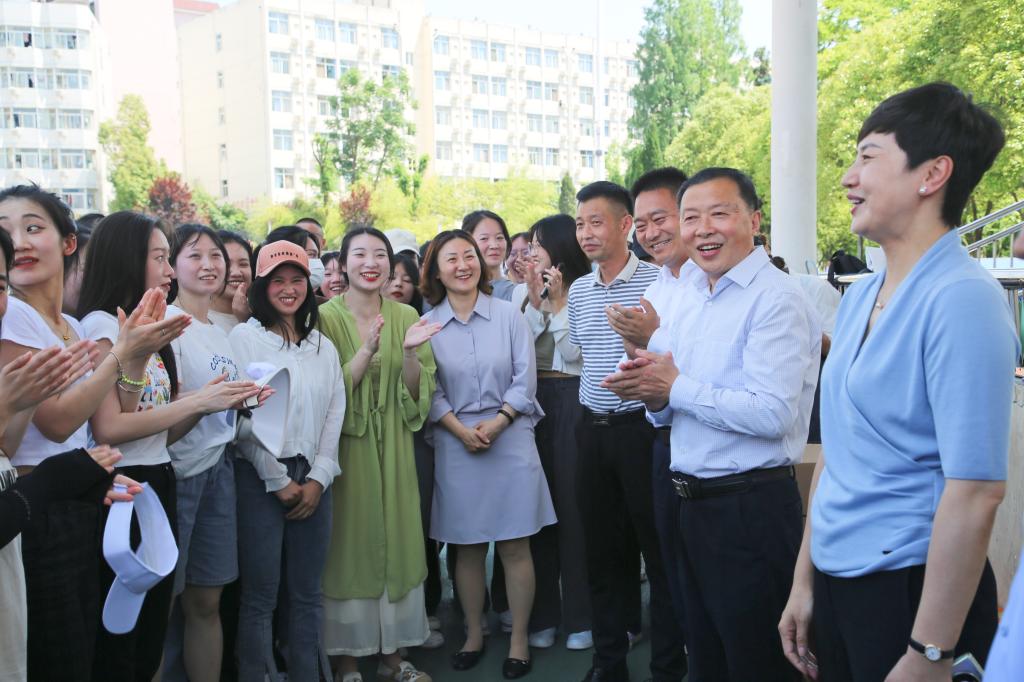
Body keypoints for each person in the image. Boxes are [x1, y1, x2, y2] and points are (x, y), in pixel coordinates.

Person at [779, 82, 1016, 682]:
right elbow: (839, 454)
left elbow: (976, 491)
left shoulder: (963, 298)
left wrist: (929, 652)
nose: (848, 178)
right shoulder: (863, 295)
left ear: (932, 174)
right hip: (840, 578)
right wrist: (806, 581)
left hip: (914, 594)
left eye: (868, 156)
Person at [603, 167, 820, 681]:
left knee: (758, 662)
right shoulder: (692, 294)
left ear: (754, 220)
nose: (702, 229)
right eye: (691, 217)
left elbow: (772, 413)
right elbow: (671, 401)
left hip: (748, 508)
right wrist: (650, 390)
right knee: (704, 656)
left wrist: (674, 386)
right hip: (690, 504)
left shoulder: (776, 298)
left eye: (719, 214)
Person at [0, 184, 182, 680]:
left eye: (33, 227)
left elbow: (122, 403)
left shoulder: (71, 326)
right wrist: (123, 354)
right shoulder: (13, 317)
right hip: (37, 506)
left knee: (89, 651)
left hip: (81, 497)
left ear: (68, 243)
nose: (18, 242)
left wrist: (133, 353)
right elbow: (60, 423)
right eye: (7, 232)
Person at [79, 211, 258, 681]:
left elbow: (153, 425)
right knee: (135, 628)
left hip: (158, 475)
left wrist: (210, 402)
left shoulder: (146, 324)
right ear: (128, 258)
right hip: (126, 486)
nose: (168, 270)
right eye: (161, 257)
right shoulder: (103, 325)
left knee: (169, 613)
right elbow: (111, 427)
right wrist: (200, 401)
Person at [422, 229, 555, 679]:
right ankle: (474, 634)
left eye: (469, 256)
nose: (462, 265)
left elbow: (525, 378)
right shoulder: (428, 324)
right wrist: (459, 430)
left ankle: (519, 640)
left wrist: (499, 422)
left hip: (510, 434)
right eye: (451, 259)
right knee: (467, 547)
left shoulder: (508, 314)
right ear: (436, 271)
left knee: (516, 544)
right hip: (455, 438)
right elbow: (429, 389)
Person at [567, 181, 685, 682]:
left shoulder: (658, 284)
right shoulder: (578, 290)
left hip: (644, 430)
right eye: (579, 224)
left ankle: (667, 666)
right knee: (601, 553)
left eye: (596, 222)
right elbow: (580, 353)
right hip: (591, 431)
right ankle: (608, 661)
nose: (586, 233)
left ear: (624, 226)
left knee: (657, 551)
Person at [318, 226, 439, 682]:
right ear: (342, 264)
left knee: (399, 537)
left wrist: (407, 356)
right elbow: (324, 391)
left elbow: (419, 391)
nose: (371, 263)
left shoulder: (406, 315)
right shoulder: (324, 319)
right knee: (347, 545)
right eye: (360, 254)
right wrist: (366, 352)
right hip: (345, 449)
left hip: (396, 446)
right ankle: (348, 660)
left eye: (380, 254)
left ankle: (393, 657)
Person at [230, 240, 345, 680]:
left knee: (307, 594)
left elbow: (335, 411)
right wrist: (276, 479)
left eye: (297, 279)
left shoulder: (322, 346)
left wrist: (319, 477)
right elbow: (241, 418)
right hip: (260, 478)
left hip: (313, 476)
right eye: (277, 280)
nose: (288, 289)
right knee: (260, 596)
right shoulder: (244, 339)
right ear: (261, 287)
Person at [162, 224, 263, 682]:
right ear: (172, 266)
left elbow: (222, 405)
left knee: (208, 599)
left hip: (219, 468)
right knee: (164, 604)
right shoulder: (168, 326)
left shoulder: (219, 332)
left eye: (215, 256)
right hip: (180, 474)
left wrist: (244, 400)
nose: (209, 265)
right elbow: (160, 416)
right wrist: (209, 401)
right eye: (195, 255)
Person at [605, 168, 691, 646]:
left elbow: (694, 369)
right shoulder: (656, 289)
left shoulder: (713, 285)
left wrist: (650, 340)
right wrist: (632, 368)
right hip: (664, 442)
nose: (651, 233)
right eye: (642, 224)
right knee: (668, 565)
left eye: (661, 219)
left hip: (728, 468)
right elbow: (659, 381)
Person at [508, 214, 594, 651]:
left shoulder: (586, 289)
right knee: (535, 513)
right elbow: (517, 350)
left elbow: (575, 354)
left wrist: (558, 304)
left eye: (538, 245)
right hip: (532, 402)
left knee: (575, 511)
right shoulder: (519, 294)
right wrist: (533, 301)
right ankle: (541, 616)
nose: (531, 253)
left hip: (573, 398)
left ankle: (581, 617)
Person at [463, 210, 515, 301]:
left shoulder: (517, 292)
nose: (494, 245)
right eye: (484, 238)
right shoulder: (456, 291)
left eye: (499, 237)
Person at [209, 230, 254, 334]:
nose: (236, 273)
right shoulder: (196, 320)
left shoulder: (265, 317)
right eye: (226, 264)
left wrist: (247, 319)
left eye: (243, 264)